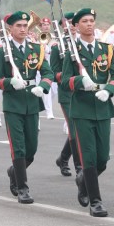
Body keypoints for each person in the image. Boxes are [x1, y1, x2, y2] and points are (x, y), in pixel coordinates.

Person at [60, 8, 114, 216]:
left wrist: (110, 90)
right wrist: (80, 81)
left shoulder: (106, 49)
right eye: (84, 21)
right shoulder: (72, 51)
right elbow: (65, 81)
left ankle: (83, 180)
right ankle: (96, 202)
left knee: (102, 158)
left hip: (103, 107)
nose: (89, 24)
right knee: (88, 156)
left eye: (91, 21)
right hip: (82, 109)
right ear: (76, 27)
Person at [0, 11, 54, 204]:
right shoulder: (3, 51)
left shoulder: (36, 49)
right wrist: (11, 82)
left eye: (24, 26)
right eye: (18, 26)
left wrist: (42, 86)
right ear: (10, 29)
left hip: (32, 101)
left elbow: (47, 72)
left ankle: (14, 171)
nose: (22, 29)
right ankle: (22, 188)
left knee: (32, 149)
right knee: (18, 148)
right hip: (13, 103)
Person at [52, 12, 80, 178]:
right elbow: (54, 72)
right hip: (67, 93)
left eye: (74, 22)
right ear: (63, 26)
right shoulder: (57, 46)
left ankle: (63, 158)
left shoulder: (85, 44)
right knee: (75, 129)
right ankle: (79, 167)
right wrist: (71, 76)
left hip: (84, 93)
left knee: (77, 130)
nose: (71, 25)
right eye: (68, 22)